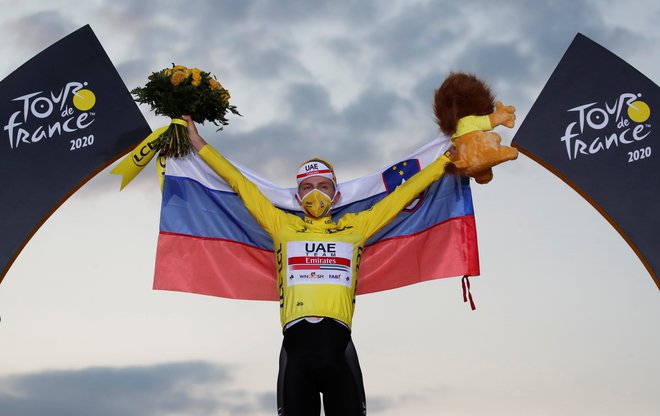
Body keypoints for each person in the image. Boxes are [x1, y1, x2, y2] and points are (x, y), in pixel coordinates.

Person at [182, 115, 452, 416]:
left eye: (323, 186)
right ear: (298, 196)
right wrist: (198, 143)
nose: (315, 193)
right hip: (296, 352)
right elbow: (239, 183)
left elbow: (403, 194)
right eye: (307, 187)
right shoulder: (281, 225)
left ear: (335, 195)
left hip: (339, 348)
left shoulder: (356, 227)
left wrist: (446, 160)